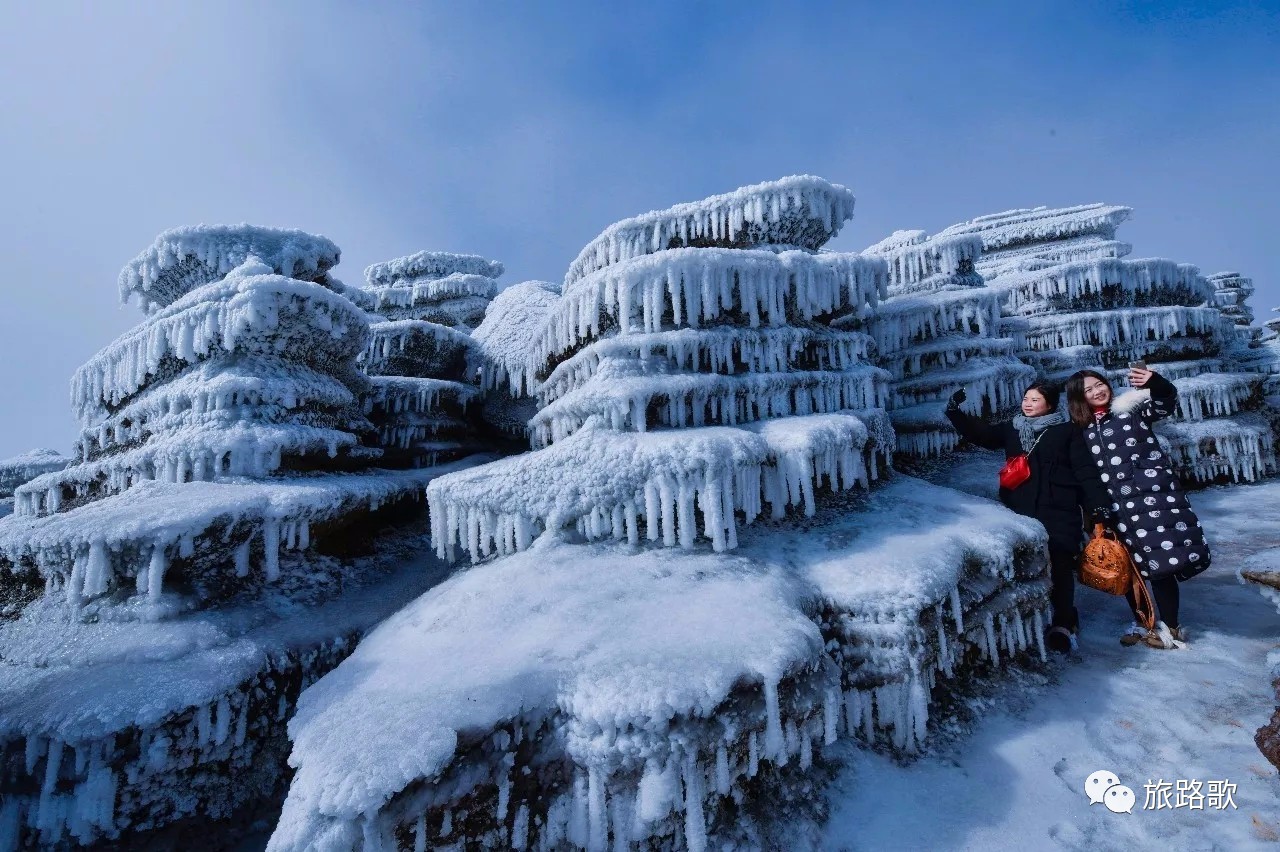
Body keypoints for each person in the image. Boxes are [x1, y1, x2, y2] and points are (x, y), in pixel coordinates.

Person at [946, 381, 1111, 654]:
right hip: (1019, 507)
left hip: (1059, 508)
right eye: (1026, 398)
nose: (1027, 403)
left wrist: (1097, 507)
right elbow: (984, 435)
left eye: (1035, 399)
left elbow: (1084, 471)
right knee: (1028, 562)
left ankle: (1063, 621)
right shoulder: (1014, 427)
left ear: (1050, 404)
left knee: (1059, 562)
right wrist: (955, 412)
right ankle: (1032, 617)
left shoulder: (1066, 431)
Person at [1064, 366, 1211, 650]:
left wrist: (1155, 382)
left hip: (1151, 502)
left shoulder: (1130, 411)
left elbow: (1164, 401)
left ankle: (1171, 626)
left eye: (1099, 384)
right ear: (1078, 398)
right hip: (1113, 510)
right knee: (1127, 568)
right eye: (1088, 390)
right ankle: (1144, 623)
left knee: (1161, 566)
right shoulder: (1080, 431)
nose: (1097, 391)